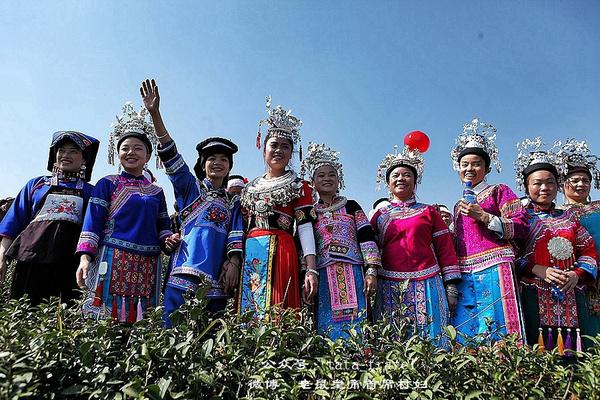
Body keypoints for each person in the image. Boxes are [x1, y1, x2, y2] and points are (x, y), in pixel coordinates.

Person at [140, 79, 243, 325]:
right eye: (211, 159)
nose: (217, 162)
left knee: (211, 340)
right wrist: (156, 114)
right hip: (183, 273)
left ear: (229, 167)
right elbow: (170, 154)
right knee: (173, 333)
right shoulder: (190, 187)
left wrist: (235, 264)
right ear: (203, 164)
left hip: (218, 280)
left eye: (223, 159)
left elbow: (236, 234)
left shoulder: (233, 202)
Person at [75, 102, 178, 323]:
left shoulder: (157, 192)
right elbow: (92, 222)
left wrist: (168, 240)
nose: (131, 152)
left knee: (142, 321)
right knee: (104, 320)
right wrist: (85, 258)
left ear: (148, 155)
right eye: (125, 148)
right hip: (112, 258)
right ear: (118, 153)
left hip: (148, 264)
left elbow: (162, 227)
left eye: (138, 148)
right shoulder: (107, 183)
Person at [371, 145, 460, 347]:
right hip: (389, 284)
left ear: (415, 181)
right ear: (388, 183)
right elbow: (371, 250)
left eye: (406, 175)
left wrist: (451, 286)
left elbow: (445, 249)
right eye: (395, 175)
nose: (401, 179)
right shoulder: (379, 215)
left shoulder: (429, 212)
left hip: (428, 282)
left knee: (432, 339)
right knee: (392, 340)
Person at [449, 118, 528, 344]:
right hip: (465, 271)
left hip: (495, 265)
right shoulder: (457, 205)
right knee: (466, 328)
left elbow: (521, 225)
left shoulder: (499, 191)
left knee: (498, 325)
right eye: (464, 164)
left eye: (475, 164)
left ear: (486, 168)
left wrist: (484, 217)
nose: (469, 169)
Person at [514, 138, 598, 352]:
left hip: (571, 293)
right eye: (537, 183)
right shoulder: (519, 218)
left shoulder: (569, 218)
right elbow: (510, 254)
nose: (545, 188)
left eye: (550, 182)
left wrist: (577, 274)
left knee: (577, 353)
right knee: (537, 352)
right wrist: (536, 269)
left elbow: (588, 251)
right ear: (526, 186)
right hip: (532, 293)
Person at [238, 97, 318, 320]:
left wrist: (311, 269)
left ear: (292, 153)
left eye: (285, 146)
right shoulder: (250, 187)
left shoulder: (299, 186)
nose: (279, 150)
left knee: (278, 308)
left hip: (282, 249)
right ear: (264, 149)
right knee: (249, 307)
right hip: (251, 248)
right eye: (274, 145)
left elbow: (304, 228)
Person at [0, 131, 99, 305]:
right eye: (61, 150)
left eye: (73, 151)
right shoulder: (36, 185)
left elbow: (95, 226)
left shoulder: (91, 192)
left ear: (84, 159)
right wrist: (1, 256)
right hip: (31, 260)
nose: (65, 155)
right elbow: (13, 222)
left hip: (70, 264)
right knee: (24, 314)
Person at [300, 142, 381, 339]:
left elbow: (366, 236)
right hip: (322, 274)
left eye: (331, 175)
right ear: (313, 182)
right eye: (321, 175)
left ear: (339, 179)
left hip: (354, 272)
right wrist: (305, 274)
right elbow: (302, 244)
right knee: (323, 323)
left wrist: (371, 270)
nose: (327, 178)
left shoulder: (351, 206)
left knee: (358, 322)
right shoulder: (308, 212)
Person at [556, 138, 600, 342]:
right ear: (562, 184)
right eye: (575, 180)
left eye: (586, 180)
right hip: (574, 281)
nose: (581, 184)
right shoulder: (556, 215)